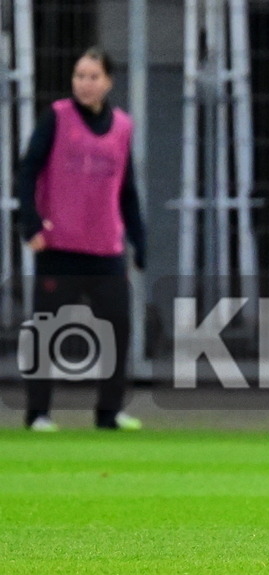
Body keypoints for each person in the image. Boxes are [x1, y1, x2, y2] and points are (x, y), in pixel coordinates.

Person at [16, 46, 145, 432]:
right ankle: (38, 413)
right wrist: (32, 225)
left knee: (117, 326)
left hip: (106, 248)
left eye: (92, 77)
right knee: (46, 328)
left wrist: (138, 238)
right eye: (79, 76)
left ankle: (108, 412)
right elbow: (27, 172)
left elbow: (127, 188)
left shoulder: (123, 126)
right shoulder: (57, 117)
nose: (84, 84)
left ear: (108, 81)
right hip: (60, 246)